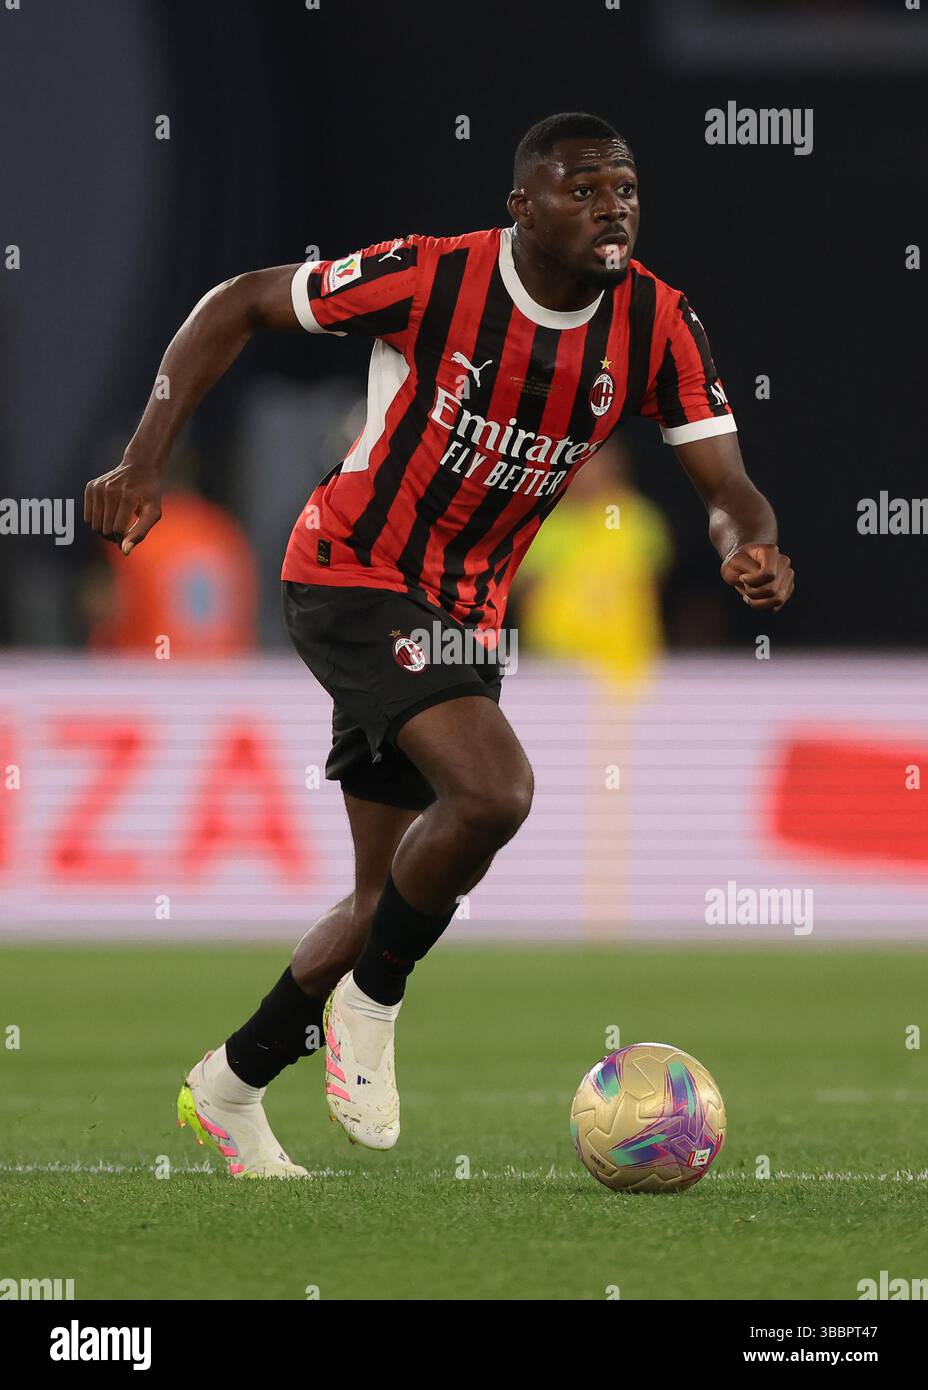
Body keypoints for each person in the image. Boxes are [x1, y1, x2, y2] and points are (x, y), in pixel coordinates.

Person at [84, 112, 795, 1178]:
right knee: (495, 791)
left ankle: (230, 1082)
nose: (612, 208)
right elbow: (238, 300)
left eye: (626, 190)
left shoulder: (656, 323)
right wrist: (145, 457)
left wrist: (753, 543)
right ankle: (372, 1005)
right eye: (583, 190)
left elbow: (725, 483)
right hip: (349, 572)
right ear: (522, 208)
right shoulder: (431, 277)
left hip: (465, 612)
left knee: (382, 898)